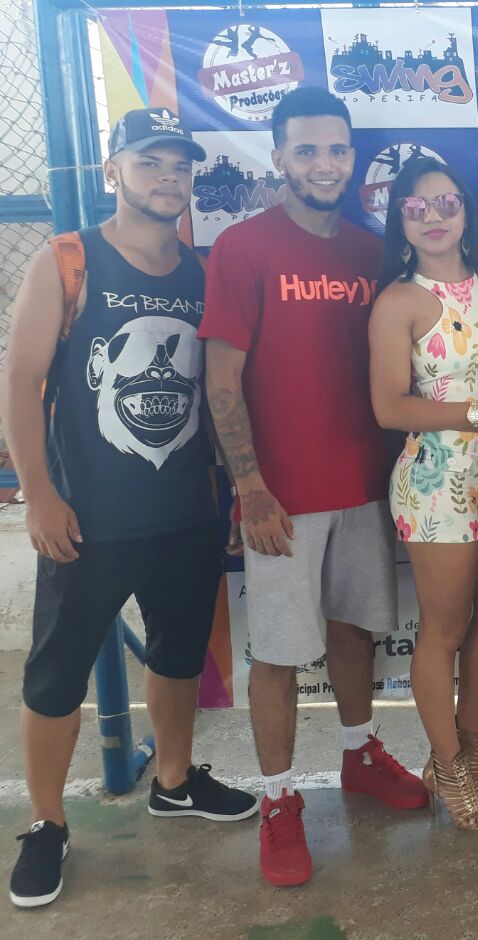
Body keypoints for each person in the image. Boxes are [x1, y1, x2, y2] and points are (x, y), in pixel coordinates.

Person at [4, 109, 256, 909]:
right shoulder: (69, 259)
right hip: (87, 521)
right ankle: (47, 823)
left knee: (178, 659)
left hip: (186, 514)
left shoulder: (205, 272)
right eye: (150, 162)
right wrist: (39, 494)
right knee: (55, 678)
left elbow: (222, 391)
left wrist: (238, 488)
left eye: (180, 165)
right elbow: (20, 382)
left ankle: (173, 781)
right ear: (114, 169)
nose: (168, 177)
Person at [200, 87, 428, 889]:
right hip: (282, 500)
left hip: (366, 486)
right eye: (307, 150)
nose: (324, 164)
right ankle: (278, 800)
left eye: (337, 149)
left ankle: (360, 755)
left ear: (352, 157)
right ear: (279, 158)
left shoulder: (371, 251)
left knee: (354, 633)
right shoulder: (243, 247)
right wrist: (251, 487)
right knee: (278, 654)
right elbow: (221, 380)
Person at [368, 157, 478, 829]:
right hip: (433, 482)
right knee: (443, 629)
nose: (435, 217)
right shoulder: (399, 301)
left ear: (467, 211)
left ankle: (470, 752)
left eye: (447, 203)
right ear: (402, 221)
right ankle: (447, 768)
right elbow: (389, 407)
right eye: (417, 208)